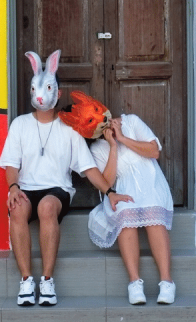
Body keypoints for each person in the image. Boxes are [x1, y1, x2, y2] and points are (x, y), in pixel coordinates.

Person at [0, 50, 133, 307]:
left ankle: (47, 280)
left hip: (56, 190)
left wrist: (110, 191)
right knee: (17, 208)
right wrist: (13, 187)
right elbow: (11, 165)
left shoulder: (68, 128)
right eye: (36, 88)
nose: (40, 94)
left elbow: (88, 167)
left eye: (48, 88)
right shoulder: (20, 124)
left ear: (57, 93)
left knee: (47, 207)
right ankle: (27, 281)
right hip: (26, 187)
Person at [59, 91, 175, 305]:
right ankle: (134, 282)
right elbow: (108, 183)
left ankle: (167, 281)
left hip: (150, 181)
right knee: (124, 214)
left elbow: (153, 151)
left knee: (153, 213)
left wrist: (122, 138)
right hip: (124, 187)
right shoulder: (97, 149)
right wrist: (113, 146)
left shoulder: (132, 122)